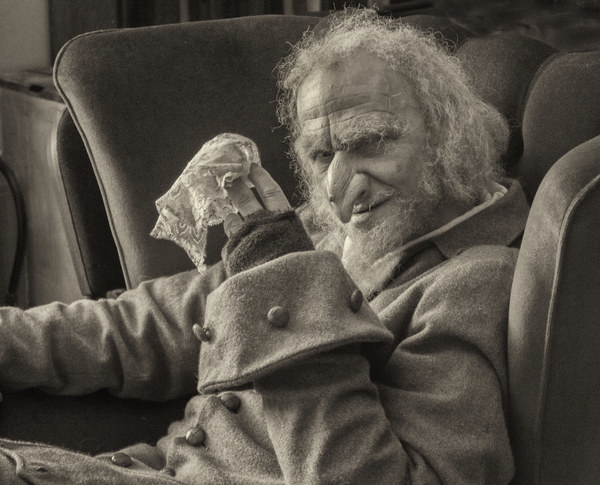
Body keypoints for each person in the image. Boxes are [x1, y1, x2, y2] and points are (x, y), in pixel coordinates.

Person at [0, 9, 529, 485]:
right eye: (322, 156)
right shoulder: (331, 232)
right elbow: (155, 322)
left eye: (371, 142)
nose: (339, 188)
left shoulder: (474, 280)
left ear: (450, 133)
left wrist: (282, 275)